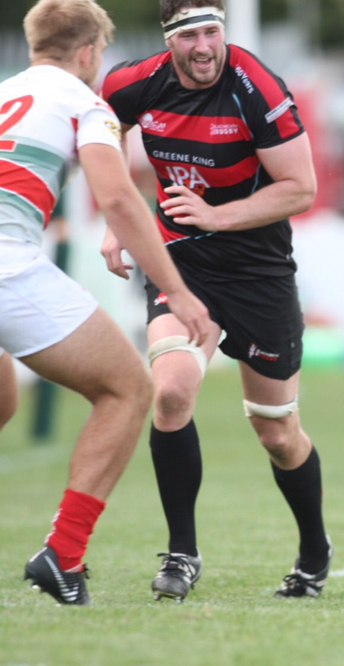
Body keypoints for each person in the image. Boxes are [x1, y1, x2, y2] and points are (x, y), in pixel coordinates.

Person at [99, 0, 330, 602]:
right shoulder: (131, 83)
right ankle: (182, 552)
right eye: (189, 35)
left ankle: (314, 550)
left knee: (276, 432)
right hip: (180, 264)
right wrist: (119, 218)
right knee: (171, 392)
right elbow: (107, 134)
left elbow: (301, 188)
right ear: (167, 38)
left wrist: (216, 215)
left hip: (259, 273)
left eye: (212, 32)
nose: (204, 47)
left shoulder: (258, 88)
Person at [7, 0, 210, 605]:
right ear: (89, 51)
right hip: (8, 267)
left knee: (2, 400)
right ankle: (63, 555)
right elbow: (118, 198)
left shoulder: (5, 91)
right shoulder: (85, 102)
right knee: (128, 390)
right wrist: (178, 291)